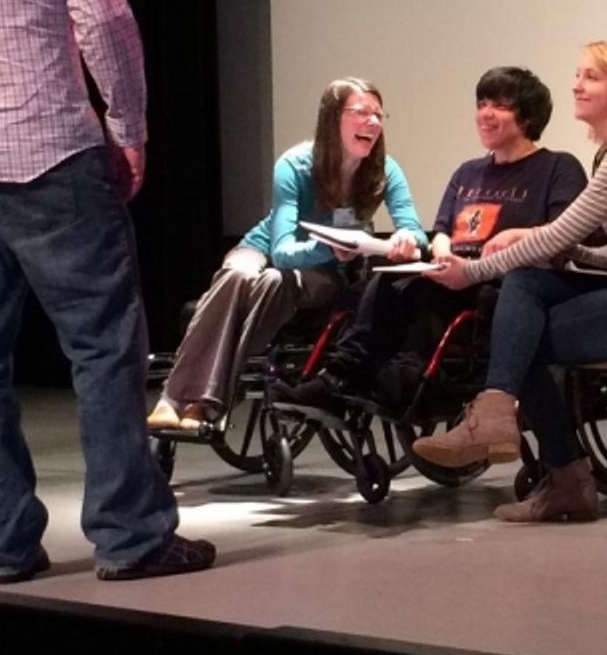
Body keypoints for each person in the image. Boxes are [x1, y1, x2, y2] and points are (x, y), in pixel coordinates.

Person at [0, 0, 214, 582]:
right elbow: (105, 21)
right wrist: (131, 125)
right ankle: (130, 533)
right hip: (49, 149)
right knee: (106, 347)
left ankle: (4, 543)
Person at [416, 41, 607, 523]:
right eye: (578, 75)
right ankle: (508, 424)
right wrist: (547, 241)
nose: (577, 85)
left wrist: (471, 272)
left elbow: (561, 232)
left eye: (590, 77)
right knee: (526, 287)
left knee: (524, 333)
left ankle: (553, 468)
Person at [280, 66, 587, 414]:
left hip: (509, 284)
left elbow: (567, 233)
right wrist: (441, 252)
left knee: (430, 292)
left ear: (528, 116)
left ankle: (405, 378)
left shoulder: (558, 168)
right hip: (452, 270)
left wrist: (504, 245)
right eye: (482, 103)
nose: (485, 114)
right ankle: (339, 376)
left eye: (499, 105)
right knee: (385, 280)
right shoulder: (467, 172)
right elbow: (442, 230)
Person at [146, 77, 427, 430]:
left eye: (378, 114)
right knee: (238, 275)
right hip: (270, 249)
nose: (373, 122)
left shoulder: (385, 170)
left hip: (325, 272)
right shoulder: (295, 164)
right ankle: (179, 399)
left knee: (273, 283)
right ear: (332, 118)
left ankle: (194, 401)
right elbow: (281, 251)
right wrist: (325, 246)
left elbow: (415, 229)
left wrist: (405, 236)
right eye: (361, 112)